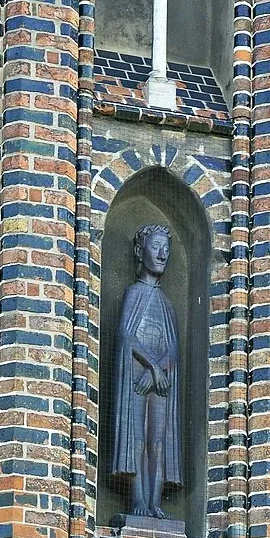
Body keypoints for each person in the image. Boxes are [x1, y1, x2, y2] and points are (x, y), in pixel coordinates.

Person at [110, 222, 182, 520]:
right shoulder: (133, 294)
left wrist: (157, 371)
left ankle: (154, 503)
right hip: (137, 379)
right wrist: (150, 368)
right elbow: (127, 337)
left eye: (166, 249)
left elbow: (174, 349)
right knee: (137, 439)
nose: (162, 254)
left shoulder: (167, 304)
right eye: (156, 247)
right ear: (141, 251)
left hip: (159, 381)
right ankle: (138, 500)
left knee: (158, 442)